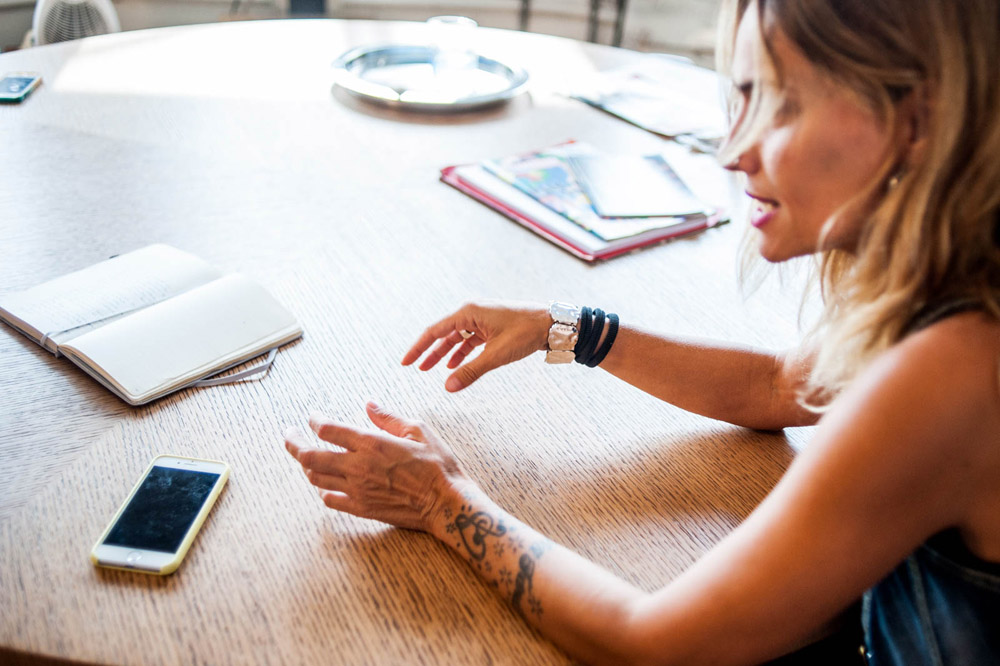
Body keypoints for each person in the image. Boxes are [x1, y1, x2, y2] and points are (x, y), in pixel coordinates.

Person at [283, 0, 1000, 662]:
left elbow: (653, 643)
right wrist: (559, 327)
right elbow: (779, 385)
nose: (733, 151)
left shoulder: (952, 371)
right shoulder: (957, 285)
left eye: (782, 105)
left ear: (920, 120)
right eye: (743, 94)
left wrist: (441, 499)